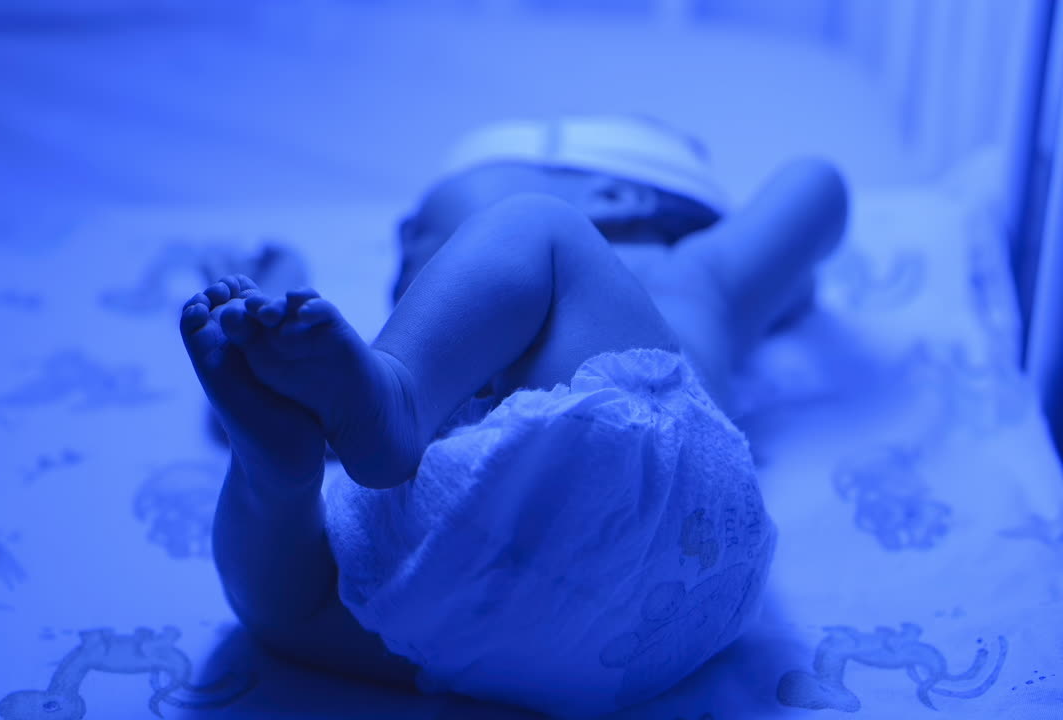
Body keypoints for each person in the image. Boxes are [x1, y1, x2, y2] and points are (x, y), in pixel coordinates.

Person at [180, 116, 848, 717]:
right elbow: (351, 417)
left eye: (430, 224)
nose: (403, 241)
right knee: (286, 610)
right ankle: (274, 475)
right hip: (593, 641)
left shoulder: (694, 274)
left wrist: (760, 251)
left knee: (537, 221)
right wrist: (267, 348)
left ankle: (387, 405)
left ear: (618, 199)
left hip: (656, 511)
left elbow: (820, 190)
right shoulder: (415, 375)